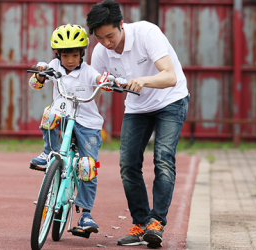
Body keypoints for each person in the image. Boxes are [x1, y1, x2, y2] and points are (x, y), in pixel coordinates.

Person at [87, 0, 190, 248]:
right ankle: (141, 224)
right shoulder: (101, 52)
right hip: (137, 107)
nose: (107, 43)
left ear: (122, 25)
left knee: (163, 158)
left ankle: (156, 222)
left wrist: (142, 81)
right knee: (128, 164)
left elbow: (169, 75)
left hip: (170, 100)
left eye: (110, 36)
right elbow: (94, 89)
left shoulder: (147, 33)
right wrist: (86, 119)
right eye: (100, 38)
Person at [28, 24, 104, 233]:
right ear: (57, 55)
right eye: (64, 55)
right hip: (63, 116)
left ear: (82, 53)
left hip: (87, 124)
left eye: (74, 55)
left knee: (87, 166)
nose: (69, 60)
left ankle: (86, 214)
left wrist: (106, 81)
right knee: (50, 112)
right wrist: (41, 75)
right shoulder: (54, 66)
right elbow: (34, 85)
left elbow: (99, 79)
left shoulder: (88, 72)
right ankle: (48, 152)